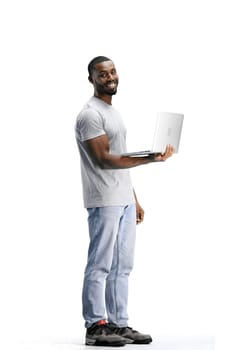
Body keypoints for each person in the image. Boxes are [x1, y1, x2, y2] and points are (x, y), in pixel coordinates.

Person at [75, 56, 174, 346]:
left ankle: (118, 323)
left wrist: (135, 198)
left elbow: (121, 157)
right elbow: (104, 160)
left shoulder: (112, 112)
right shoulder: (89, 114)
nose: (110, 77)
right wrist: (150, 157)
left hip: (123, 199)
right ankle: (95, 326)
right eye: (102, 74)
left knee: (123, 265)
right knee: (100, 264)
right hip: (103, 199)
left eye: (113, 71)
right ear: (91, 78)